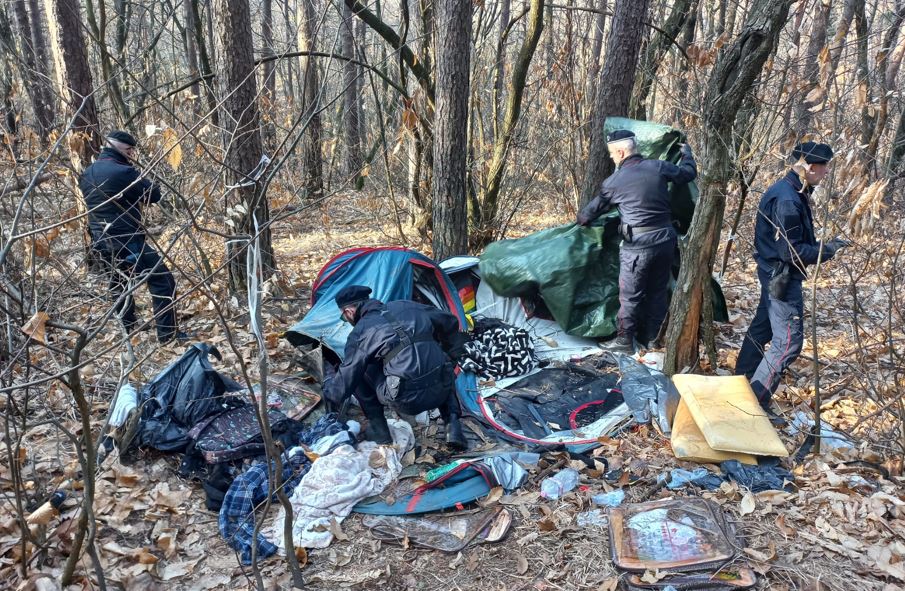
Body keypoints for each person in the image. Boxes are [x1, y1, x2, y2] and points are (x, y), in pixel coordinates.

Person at [734, 141, 849, 416]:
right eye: (824, 166)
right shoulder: (787, 199)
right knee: (788, 344)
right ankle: (753, 404)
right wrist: (827, 249)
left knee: (762, 328)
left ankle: (739, 382)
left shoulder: (792, 190)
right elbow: (792, 251)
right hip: (781, 278)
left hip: (771, 273)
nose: (827, 171)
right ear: (809, 167)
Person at [577, 130, 697, 353]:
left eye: (613, 154)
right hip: (665, 241)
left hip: (638, 247)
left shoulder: (614, 182)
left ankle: (624, 341)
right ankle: (652, 339)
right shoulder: (658, 167)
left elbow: (586, 216)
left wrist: (583, 221)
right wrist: (687, 154)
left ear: (621, 152)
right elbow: (688, 174)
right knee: (658, 291)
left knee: (630, 296)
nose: (612, 158)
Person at [322, 285, 468, 449]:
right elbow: (450, 321)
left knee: (360, 370)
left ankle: (380, 430)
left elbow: (344, 382)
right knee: (438, 360)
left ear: (349, 312)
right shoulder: (408, 305)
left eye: (344, 317)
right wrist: (451, 356)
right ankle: (453, 425)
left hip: (406, 401)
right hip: (441, 388)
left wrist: (328, 389)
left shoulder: (361, 332)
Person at [80, 130, 182, 343]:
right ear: (121, 148)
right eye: (130, 150)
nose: (132, 154)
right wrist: (144, 177)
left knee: (119, 284)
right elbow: (154, 195)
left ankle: (128, 331)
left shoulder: (87, 172)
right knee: (162, 280)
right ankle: (168, 335)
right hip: (129, 240)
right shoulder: (124, 172)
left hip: (101, 241)